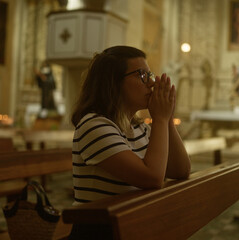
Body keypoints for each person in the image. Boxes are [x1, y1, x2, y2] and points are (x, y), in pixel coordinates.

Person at [69, 46, 191, 239]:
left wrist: (167, 119)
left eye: (149, 74)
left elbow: (180, 170)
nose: (151, 83)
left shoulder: (139, 128)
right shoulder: (93, 126)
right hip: (100, 231)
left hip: (132, 225)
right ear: (113, 82)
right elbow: (152, 178)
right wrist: (159, 118)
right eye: (142, 75)